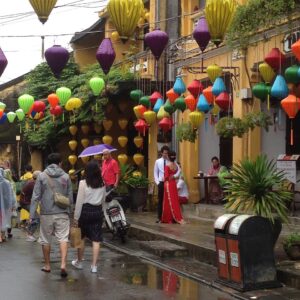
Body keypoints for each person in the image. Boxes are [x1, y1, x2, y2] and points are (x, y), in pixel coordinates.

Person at [30, 153, 73, 277]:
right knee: (63, 238)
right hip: (62, 212)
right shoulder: (66, 176)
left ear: (48, 163)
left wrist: (32, 215)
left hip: (46, 213)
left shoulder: (42, 176)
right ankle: (63, 264)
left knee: (45, 239)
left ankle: (47, 265)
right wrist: (69, 212)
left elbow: (35, 196)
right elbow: (70, 198)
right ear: (60, 163)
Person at [72, 160, 106, 274]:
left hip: (85, 211)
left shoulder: (83, 183)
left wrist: (76, 217)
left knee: (81, 238)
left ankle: (79, 262)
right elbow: (103, 200)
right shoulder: (102, 183)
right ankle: (94, 266)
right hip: (97, 211)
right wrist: (103, 212)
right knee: (96, 239)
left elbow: (79, 201)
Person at [154, 146, 181, 223]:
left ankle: (170, 217)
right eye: (164, 153)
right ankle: (159, 217)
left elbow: (179, 169)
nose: (166, 154)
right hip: (161, 183)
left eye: (167, 153)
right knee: (161, 200)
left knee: (169, 200)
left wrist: (174, 176)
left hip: (169, 182)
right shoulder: (157, 161)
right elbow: (155, 173)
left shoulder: (172, 162)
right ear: (161, 153)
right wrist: (158, 183)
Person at [161, 151, 185, 224]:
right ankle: (173, 217)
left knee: (168, 201)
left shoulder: (167, 166)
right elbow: (177, 175)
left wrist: (167, 178)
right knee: (174, 200)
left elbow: (166, 177)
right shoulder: (176, 165)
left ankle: (168, 218)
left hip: (168, 184)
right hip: (173, 183)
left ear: (168, 156)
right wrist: (174, 176)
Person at [20, 170, 41, 242]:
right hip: (26, 202)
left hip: (26, 202)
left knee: (35, 217)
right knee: (36, 218)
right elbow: (37, 195)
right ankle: (29, 234)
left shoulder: (32, 182)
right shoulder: (33, 184)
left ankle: (30, 233)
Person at [0, 168, 15, 242]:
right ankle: (2, 236)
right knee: (4, 220)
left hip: (4, 205)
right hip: (6, 205)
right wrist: (12, 204)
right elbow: (11, 195)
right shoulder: (7, 182)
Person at [3, 169, 17, 238]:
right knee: (10, 218)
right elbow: (13, 194)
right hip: (9, 203)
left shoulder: (3, 182)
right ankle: (8, 232)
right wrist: (14, 204)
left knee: (3, 217)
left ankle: (3, 234)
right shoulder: (12, 182)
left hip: (4, 203)